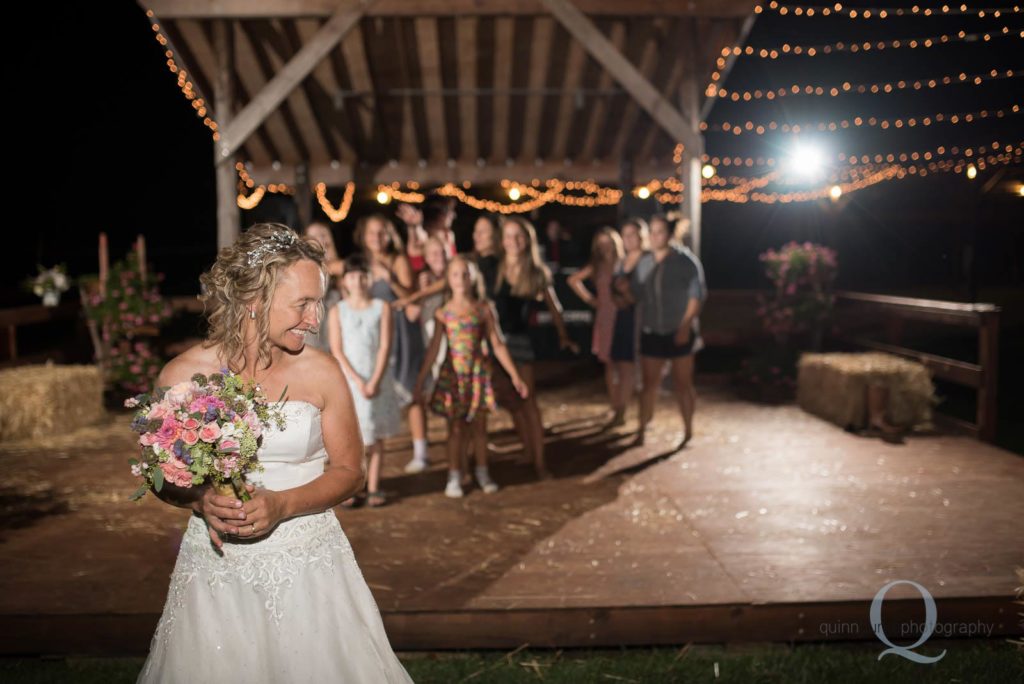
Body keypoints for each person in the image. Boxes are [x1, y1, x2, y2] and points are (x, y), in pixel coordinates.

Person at [138, 223, 412, 682]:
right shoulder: (182, 375)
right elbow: (160, 476)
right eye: (302, 303)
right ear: (254, 301)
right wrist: (200, 499)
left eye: (319, 301)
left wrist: (283, 504)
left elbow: (350, 471)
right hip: (216, 569)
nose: (316, 318)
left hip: (310, 564)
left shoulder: (323, 372)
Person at [414, 256, 528, 497]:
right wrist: (421, 379)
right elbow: (434, 348)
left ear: (473, 278)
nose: (461, 279)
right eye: (455, 274)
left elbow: (497, 343)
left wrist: (515, 376)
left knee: (479, 427)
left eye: (465, 274)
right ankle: (454, 475)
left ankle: (482, 472)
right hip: (453, 376)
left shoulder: (483, 309)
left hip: (477, 375)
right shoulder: (442, 313)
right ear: (448, 279)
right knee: (455, 429)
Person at [493, 216, 579, 478]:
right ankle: (528, 451)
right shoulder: (494, 267)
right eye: (508, 236)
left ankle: (541, 464)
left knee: (528, 401)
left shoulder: (536, 272)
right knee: (511, 402)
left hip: (519, 343)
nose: (513, 241)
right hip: (493, 341)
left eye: (518, 236)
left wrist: (563, 335)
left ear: (527, 240)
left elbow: (555, 307)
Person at [353, 214, 429, 466]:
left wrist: (389, 278)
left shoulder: (398, 260)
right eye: (372, 232)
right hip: (373, 335)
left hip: (400, 333)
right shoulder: (360, 263)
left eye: (381, 232)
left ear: (389, 235)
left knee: (410, 391)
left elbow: (411, 296)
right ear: (364, 236)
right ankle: (373, 455)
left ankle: (420, 453)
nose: (376, 238)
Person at [327, 254, 402, 507]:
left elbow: (384, 346)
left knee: (375, 434)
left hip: (376, 379)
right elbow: (337, 350)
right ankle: (353, 486)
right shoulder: (338, 311)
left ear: (369, 279)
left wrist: (374, 380)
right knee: (352, 436)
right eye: (352, 276)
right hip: (350, 382)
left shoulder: (382, 308)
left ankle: (374, 486)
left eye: (362, 276)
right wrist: (358, 381)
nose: (357, 281)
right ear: (344, 281)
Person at [632, 215, 707, 449]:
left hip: (679, 331)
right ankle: (642, 428)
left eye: (660, 232)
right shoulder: (644, 262)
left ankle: (687, 430)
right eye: (652, 232)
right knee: (649, 384)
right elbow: (636, 295)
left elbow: (697, 296)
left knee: (682, 383)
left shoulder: (686, 262)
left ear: (670, 234)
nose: (655, 237)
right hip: (652, 330)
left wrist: (684, 327)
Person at [567, 226, 627, 425]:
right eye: (600, 244)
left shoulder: (624, 263)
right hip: (605, 316)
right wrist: (590, 299)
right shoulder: (596, 265)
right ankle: (615, 406)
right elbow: (573, 280)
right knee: (609, 363)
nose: (605, 247)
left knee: (625, 365)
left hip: (624, 313)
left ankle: (623, 407)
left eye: (608, 243)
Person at [402, 237, 449, 473]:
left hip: (453, 346)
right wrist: (419, 293)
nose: (436, 256)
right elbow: (411, 315)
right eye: (431, 253)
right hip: (426, 345)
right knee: (419, 395)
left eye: (439, 250)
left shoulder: (456, 275)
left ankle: (459, 453)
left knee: (452, 399)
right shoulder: (423, 280)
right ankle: (421, 453)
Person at [303, 221, 342, 352]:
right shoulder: (302, 266)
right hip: (312, 325)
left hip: (336, 323)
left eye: (323, 234)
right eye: (314, 235)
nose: (320, 239)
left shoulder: (338, 265)